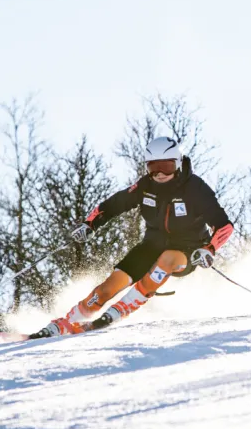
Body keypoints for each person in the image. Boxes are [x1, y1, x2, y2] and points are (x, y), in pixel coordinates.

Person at [30, 136, 234, 339]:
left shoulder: (195, 189)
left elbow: (224, 225)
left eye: (166, 166)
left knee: (167, 259)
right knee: (108, 287)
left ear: (178, 164)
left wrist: (209, 249)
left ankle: (117, 311)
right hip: (151, 246)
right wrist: (89, 224)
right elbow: (114, 204)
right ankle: (68, 321)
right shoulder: (146, 186)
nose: (160, 173)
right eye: (153, 167)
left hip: (187, 250)